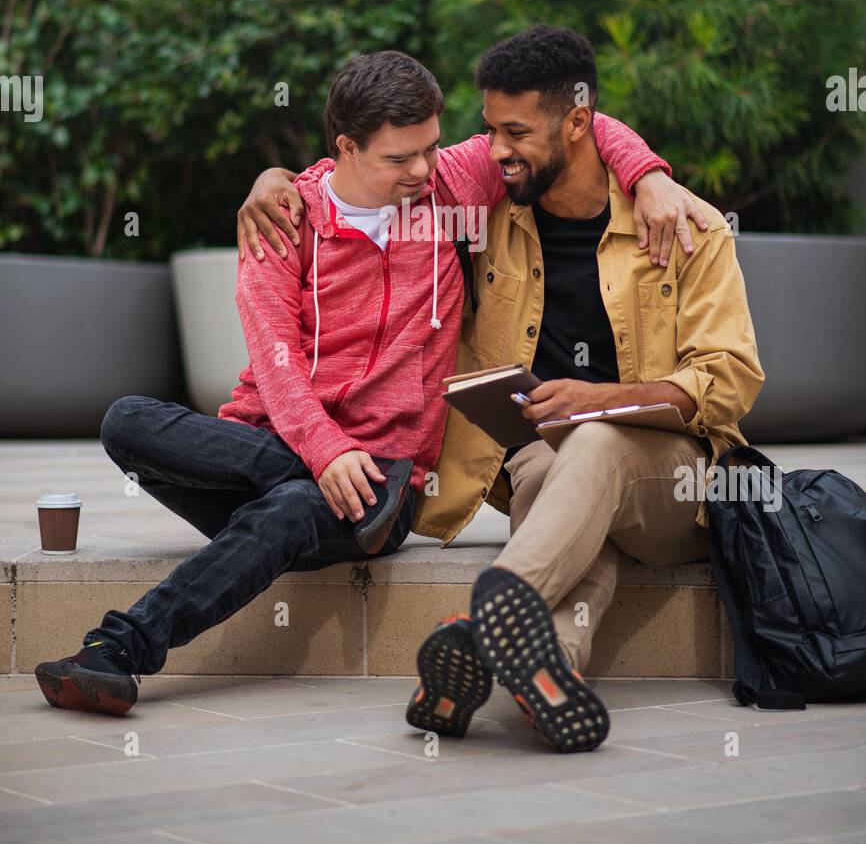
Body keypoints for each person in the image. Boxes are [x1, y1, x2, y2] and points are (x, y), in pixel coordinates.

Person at [35, 48, 693, 717]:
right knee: (127, 420)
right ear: (346, 147)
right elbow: (275, 361)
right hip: (280, 454)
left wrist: (649, 176)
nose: (422, 170)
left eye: (430, 148)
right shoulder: (285, 219)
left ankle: (115, 652)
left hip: (385, 488)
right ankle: (311, 486)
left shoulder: (449, 191)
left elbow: (576, 120)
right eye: (398, 158)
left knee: (293, 510)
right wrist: (326, 453)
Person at [404, 26, 764, 753]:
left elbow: (729, 383)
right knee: (542, 471)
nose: (497, 149)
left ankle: (485, 622)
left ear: (576, 123)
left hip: (679, 485)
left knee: (592, 443)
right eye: (489, 129)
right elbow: (369, 176)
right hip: (551, 462)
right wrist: (281, 183)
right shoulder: (489, 220)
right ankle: (551, 673)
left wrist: (594, 400)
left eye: (516, 132)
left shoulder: (685, 226)